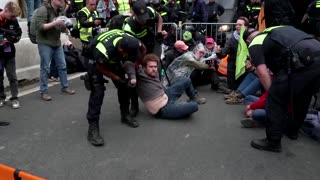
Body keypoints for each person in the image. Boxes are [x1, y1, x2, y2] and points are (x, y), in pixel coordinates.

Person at [243, 26, 320, 152]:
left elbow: (262, 73)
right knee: (303, 96)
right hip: (316, 51)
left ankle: (273, 141)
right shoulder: (275, 30)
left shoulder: (255, 43)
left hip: (303, 60)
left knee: (275, 98)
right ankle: (292, 131)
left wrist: (272, 93)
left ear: (248, 42)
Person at [84, 29, 145, 146]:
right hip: (94, 58)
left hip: (114, 57)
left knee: (124, 85)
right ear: (121, 49)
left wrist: (135, 65)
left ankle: (125, 115)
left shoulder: (132, 41)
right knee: (98, 91)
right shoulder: (102, 51)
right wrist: (117, 78)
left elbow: (143, 49)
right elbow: (102, 68)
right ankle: (92, 128)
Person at [137, 54, 203, 119]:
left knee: (187, 80)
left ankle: (193, 98)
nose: (154, 69)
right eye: (151, 67)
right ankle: (179, 107)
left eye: (155, 66)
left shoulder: (154, 73)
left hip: (165, 95)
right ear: (144, 68)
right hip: (162, 109)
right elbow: (131, 64)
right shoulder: (141, 77)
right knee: (194, 106)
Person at [34, 0, 75, 101]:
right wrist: (55, 23)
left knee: (62, 66)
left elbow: (61, 29)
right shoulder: (43, 10)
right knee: (45, 68)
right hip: (45, 42)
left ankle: (65, 87)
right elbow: (40, 27)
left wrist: (65, 26)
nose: (62, 1)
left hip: (56, 42)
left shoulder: (60, 11)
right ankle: (44, 91)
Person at [216, 16, 249, 91]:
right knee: (232, 88)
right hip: (233, 65)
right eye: (236, 24)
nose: (237, 26)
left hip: (245, 66)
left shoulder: (250, 37)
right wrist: (219, 52)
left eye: (240, 25)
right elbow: (223, 54)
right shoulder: (231, 39)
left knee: (242, 89)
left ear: (246, 26)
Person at [0, 2, 22, 109]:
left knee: (12, 76)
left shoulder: (13, 20)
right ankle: (1, 97)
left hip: (9, 53)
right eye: (12, 16)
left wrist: (8, 40)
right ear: (6, 10)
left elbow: (18, 35)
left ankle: (14, 98)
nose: (13, 18)